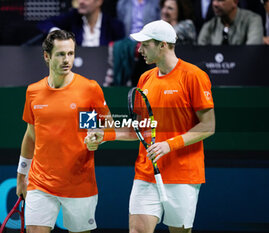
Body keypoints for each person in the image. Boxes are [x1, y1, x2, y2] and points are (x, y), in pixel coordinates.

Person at [87, 20, 215, 233]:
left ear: (163, 45)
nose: (139, 50)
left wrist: (169, 145)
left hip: (182, 175)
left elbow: (208, 126)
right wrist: (105, 134)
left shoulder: (193, 76)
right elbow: (140, 129)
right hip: (146, 173)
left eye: (145, 44)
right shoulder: (145, 78)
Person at [16, 30, 112, 233]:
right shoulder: (33, 92)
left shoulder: (89, 89)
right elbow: (31, 135)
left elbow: (107, 125)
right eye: (60, 54)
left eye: (70, 53)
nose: (67, 59)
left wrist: (98, 136)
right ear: (46, 56)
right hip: (40, 183)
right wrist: (21, 175)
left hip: (79, 183)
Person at [37, 0, 124, 47]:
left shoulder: (114, 25)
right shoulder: (73, 17)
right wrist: (56, 32)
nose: (80, 1)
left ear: (99, 1)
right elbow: (44, 23)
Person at [197, 0, 263, 45]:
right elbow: (201, 52)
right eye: (214, 0)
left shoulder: (252, 20)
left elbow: (252, 50)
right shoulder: (209, 25)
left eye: (221, 0)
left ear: (235, 2)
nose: (215, 4)